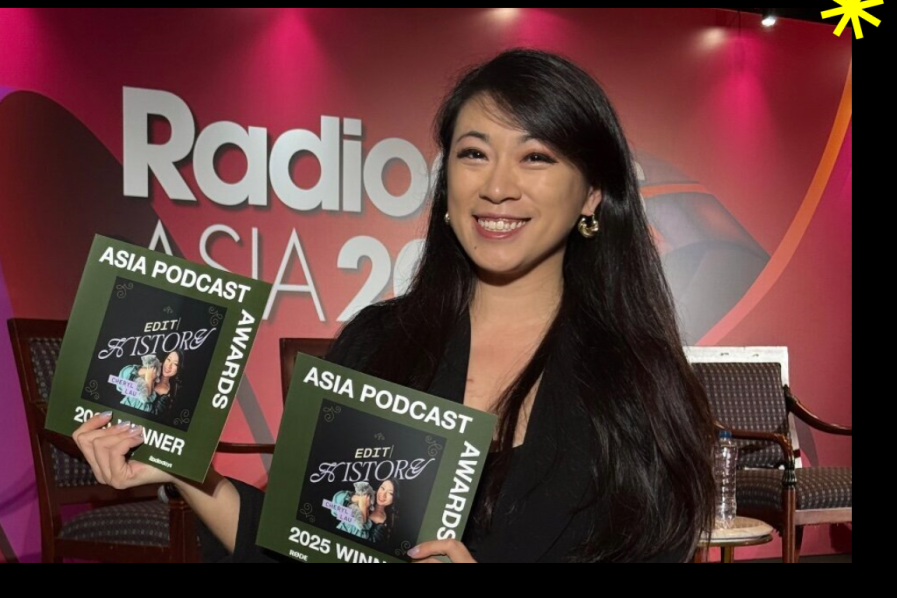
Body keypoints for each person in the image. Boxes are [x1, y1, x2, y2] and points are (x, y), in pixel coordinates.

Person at [74, 47, 715, 563]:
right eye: (474, 153)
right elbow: (295, 544)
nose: (497, 186)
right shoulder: (380, 341)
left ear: (592, 194)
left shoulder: (640, 383)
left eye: (536, 157)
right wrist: (181, 467)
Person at [151, 350, 184, 421]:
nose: (169, 366)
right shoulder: (149, 372)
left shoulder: (174, 393)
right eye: (168, 359)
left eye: (175, 364)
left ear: (179, 369)